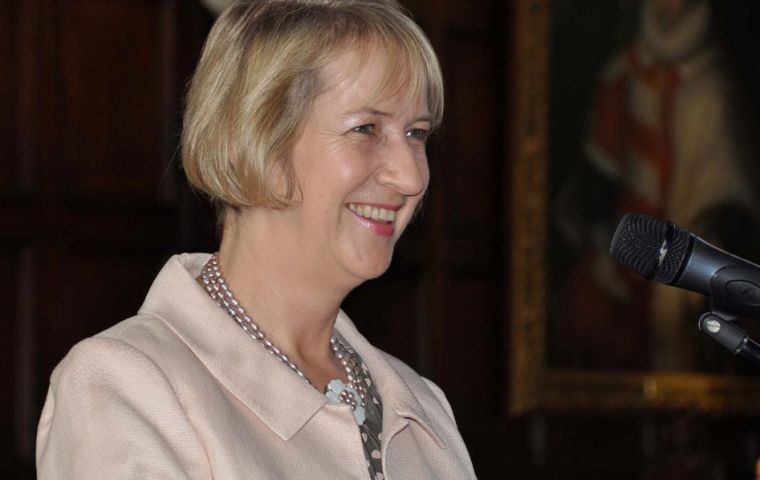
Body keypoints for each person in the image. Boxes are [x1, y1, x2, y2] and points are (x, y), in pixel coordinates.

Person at [35, 1, 476, 478]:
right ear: (251, 140)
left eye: (416, 133)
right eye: (366, 129)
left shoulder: (425, 409)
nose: (411, 176)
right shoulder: (126, 386)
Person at [555, 0, 760, 370]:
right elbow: (594, 187)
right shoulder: (620, 78)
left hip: (688, 286)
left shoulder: (715, 89)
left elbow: (730, 193)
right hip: (621, 278)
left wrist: (712, 239)